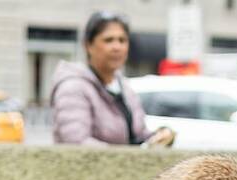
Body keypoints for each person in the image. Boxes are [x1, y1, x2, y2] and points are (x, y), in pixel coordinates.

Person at [50, 11, 174, 147]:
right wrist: (123, 157)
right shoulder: (73, 88)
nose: (117, 47)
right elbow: (76, 143)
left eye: (122, 40)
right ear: (88, 45)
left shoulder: (124, 87)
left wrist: (159, 136)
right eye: (108, 40)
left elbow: (137, 136)